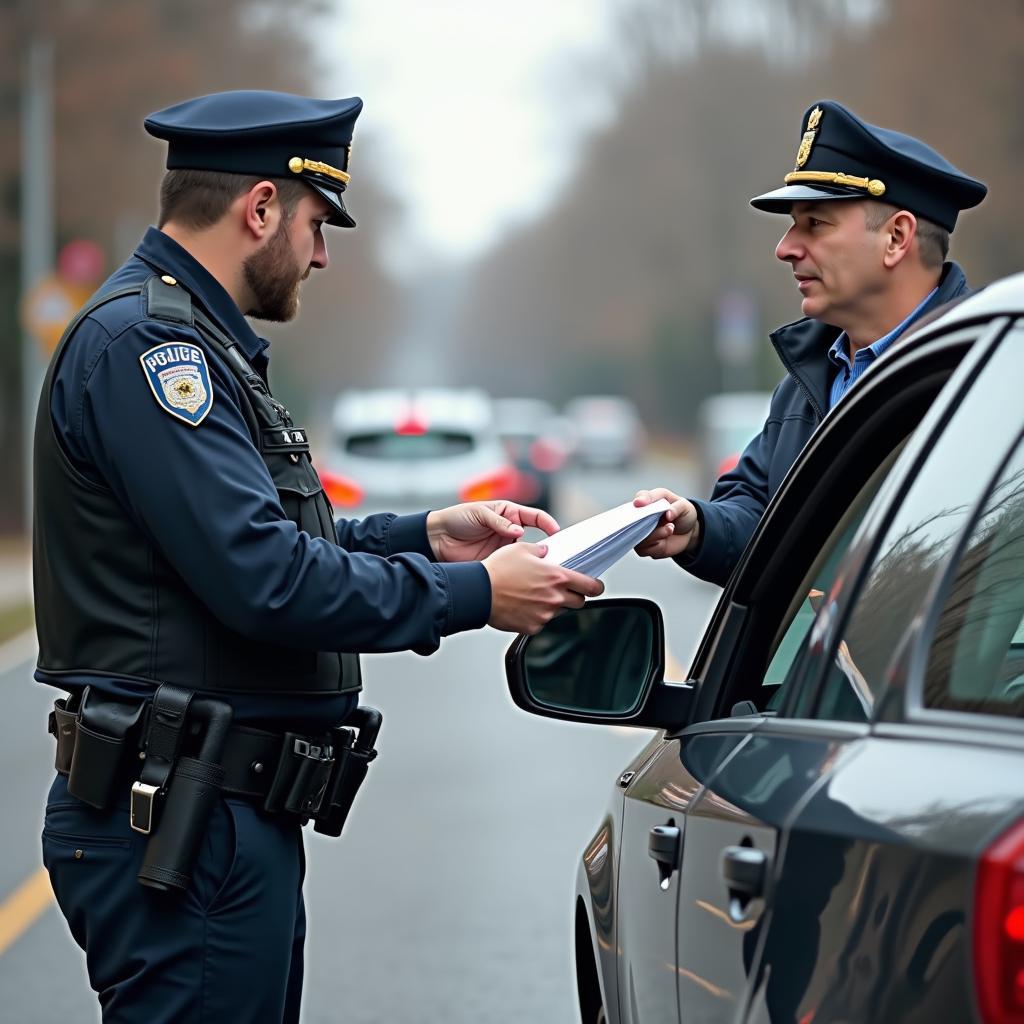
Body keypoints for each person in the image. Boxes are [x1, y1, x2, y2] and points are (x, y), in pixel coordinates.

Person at [34, 90, 603, 1023]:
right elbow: (267, 579)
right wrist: (475, 594)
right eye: (314, 221)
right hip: (181, 814)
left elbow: (264, 545)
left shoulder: (196, 341)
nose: (323, 251)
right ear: (259, 208)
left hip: (210, 807)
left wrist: (426, 533)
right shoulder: (152, 349)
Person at [633, 99, 987, 587]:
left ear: (896, 238)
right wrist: (699, 527)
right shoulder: (811, 378)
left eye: (815, 223)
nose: (785, 248)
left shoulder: (989, 375)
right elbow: (763, 514)